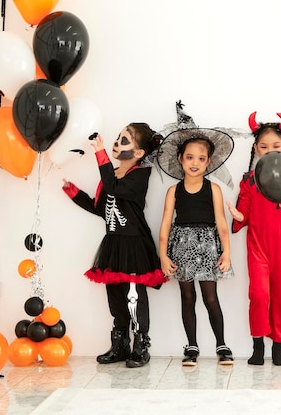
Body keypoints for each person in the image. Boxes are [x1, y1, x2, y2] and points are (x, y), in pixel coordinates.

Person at [62, 123, 166, 368]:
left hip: (134, 244)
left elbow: (115, 188)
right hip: (114, 244)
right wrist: (74, 193)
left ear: (139, 153)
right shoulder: (111, 176)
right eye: (118, 138)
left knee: (133, 297)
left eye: (125, 140)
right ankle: (120, 344)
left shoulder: (140, 175)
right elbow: (101, 209)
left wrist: (100, 154)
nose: (117, 143)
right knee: (115, 297)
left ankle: (141, 345)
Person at [227, 112, 281, 366]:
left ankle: (278, 347)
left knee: (279, 298)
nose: (269, 151)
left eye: (276, 146)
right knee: (259, 295)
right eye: (263, 147)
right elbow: (244, 215)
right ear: (256, 149)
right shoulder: (250, 182)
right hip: (258, 248)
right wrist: (236, 213)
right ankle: (257, 346)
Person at [157, 128, 235, 366]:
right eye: (189, 157)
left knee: (210, 298)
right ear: (180, 159)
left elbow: (221, 222)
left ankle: (221, 344)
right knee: (187, 297)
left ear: (208, 162)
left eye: (201, 158)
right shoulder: (173, 191)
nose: (195, 163)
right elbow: (165, 225)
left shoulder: (213, 189)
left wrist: (227, 252)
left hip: (208, 247)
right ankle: (191, 346)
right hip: (181, 246)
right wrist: (163, 255)